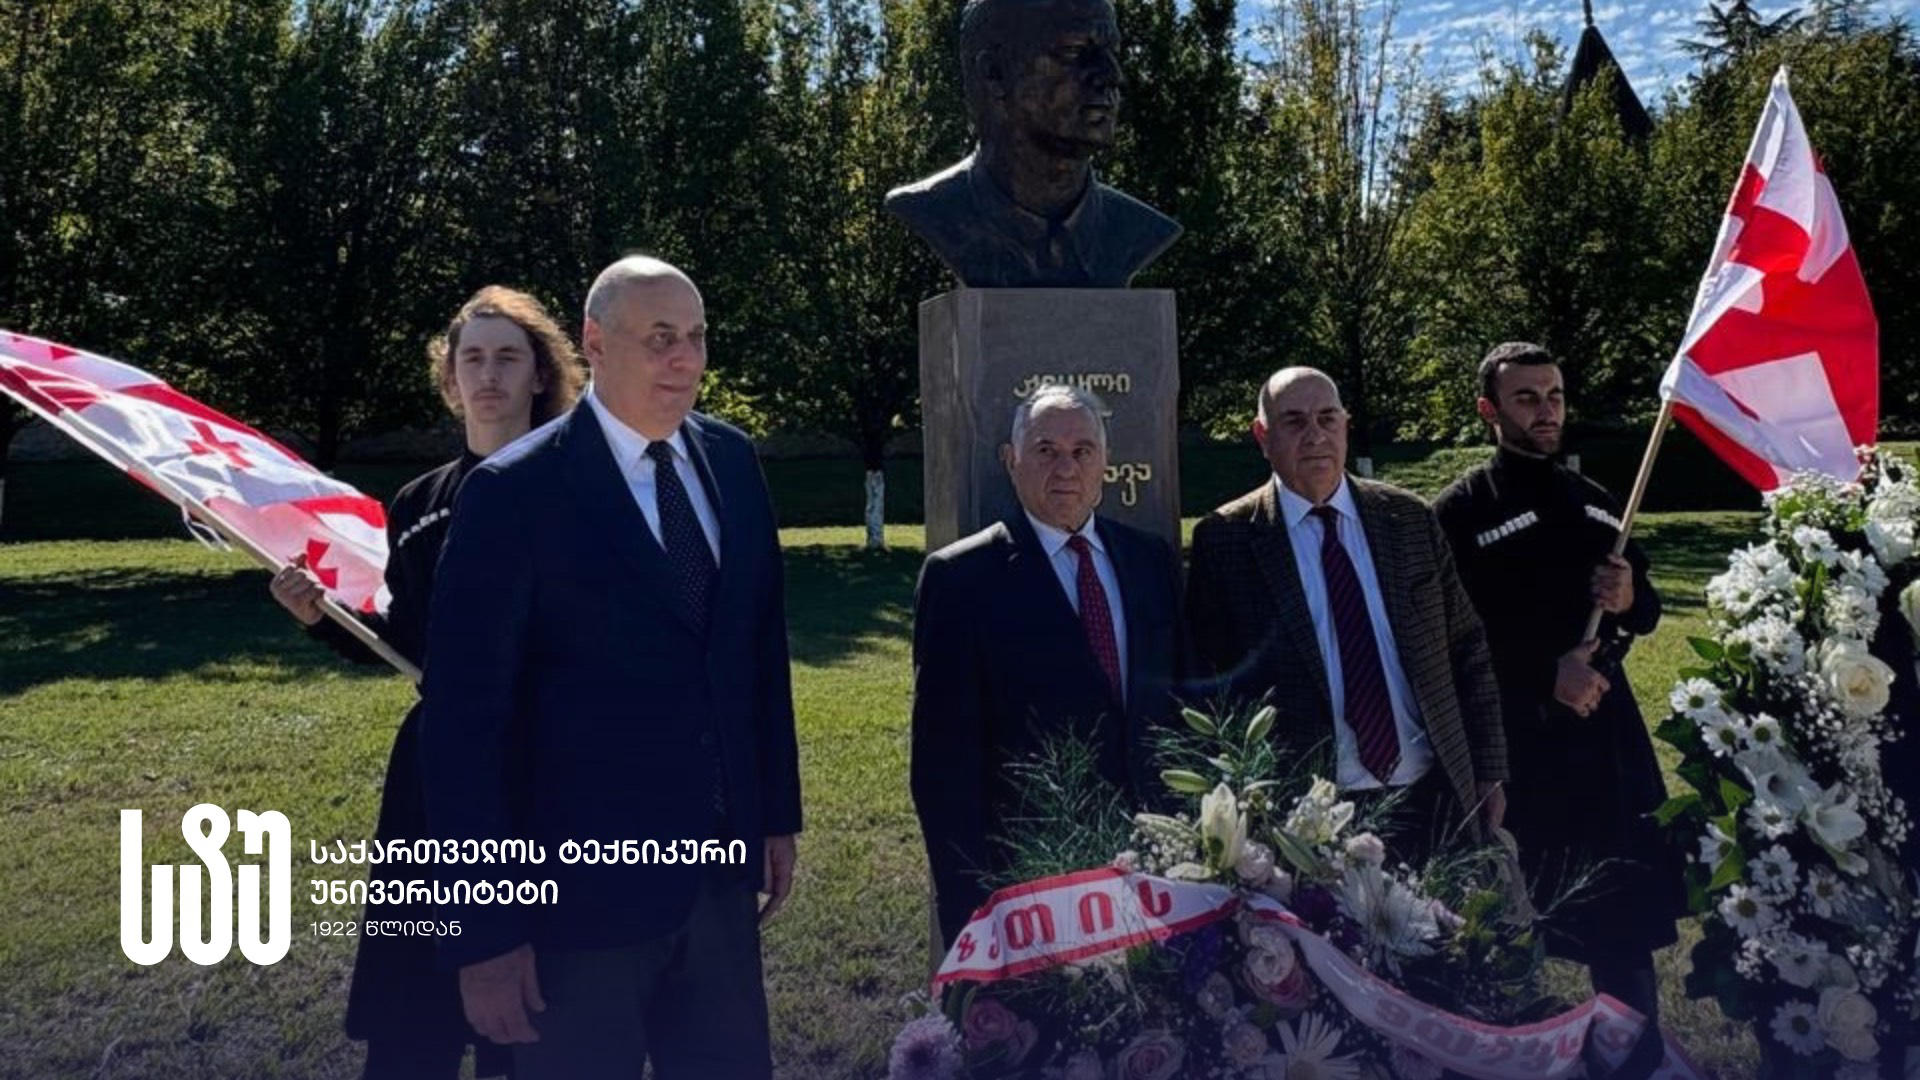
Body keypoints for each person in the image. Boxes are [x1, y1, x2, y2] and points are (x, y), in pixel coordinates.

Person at [417, 255, 799, 1080]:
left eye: (695, 337)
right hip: (573, 911)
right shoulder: (513, 494)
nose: (686, 360)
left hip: (716, 888)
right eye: (660, 338)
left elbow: (757, 651)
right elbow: (461, 728)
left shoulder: (731, 461)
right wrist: (482, 935)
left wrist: (774, 812)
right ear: (595, 341)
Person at [268, 285, 584, 1080]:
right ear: (450, 378)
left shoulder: (582, 487)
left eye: (508, 357)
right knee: (415, 1022)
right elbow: (407, 646)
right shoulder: (419, 502)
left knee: (534, 1017)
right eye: (471, 358)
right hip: (436, 782)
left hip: (547, 774)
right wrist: (322, 616)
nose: (489, 374)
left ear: (540, 374)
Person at [1433, 342, 1679, 1021]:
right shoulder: (1460, 513)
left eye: (1555, 396)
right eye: (1526, 398)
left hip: (1607, 749)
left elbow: (1649, 611)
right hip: (1520, 750)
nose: (1546, 412)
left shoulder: (1600, 503)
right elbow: (1453, 640)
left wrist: (1631, 597)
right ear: (1489, 410)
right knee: (1513, 931)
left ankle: (1634, 1054)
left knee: (1623, 930)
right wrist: (1547, 675)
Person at [1185, 367, 1507, 853]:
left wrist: (1488, 768)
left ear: (1345, 425)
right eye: (1293, 422)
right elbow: (1212, 682)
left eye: (1327, 418)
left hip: (1433, 792)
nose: (1314, 435)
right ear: (1262, 436)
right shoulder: (1227, 539)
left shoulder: (1408, 519)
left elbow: (1466, 646)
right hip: (1308, 816)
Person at [912, 384, 1185, 947]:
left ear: (1106, 464)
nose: (1066, 467)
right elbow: (944, 769)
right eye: (1045, 450)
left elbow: (1181, 707)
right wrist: (972, 915)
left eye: (1083, 451)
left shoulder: (1150, 560)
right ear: (1011, 462)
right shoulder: (961, 579)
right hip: (1035, 884)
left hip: (1161, 872)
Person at [884, 0, 1180, 287]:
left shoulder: (1138, 231)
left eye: (1112, 53)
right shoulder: (935, 209)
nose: (1112, 76)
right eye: (1073, 51)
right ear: (994, 74)